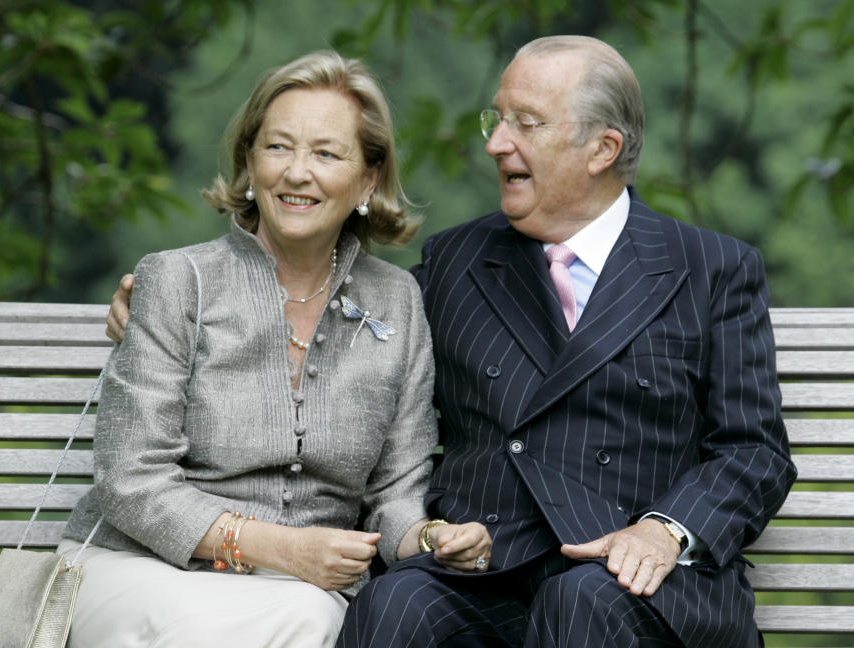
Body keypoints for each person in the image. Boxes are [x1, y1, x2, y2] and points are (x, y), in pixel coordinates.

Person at [109, 37, 797, 647]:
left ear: (602, 149)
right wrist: (164, 305)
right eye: (495, 119)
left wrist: (665, 531)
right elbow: (348, 315)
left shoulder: (710, 268)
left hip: (640, 585)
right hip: (485, 576)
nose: (497, 142)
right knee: (396, 603)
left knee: (582, 602)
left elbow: (754, 450)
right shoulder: (454, 264)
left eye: (525, 123)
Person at [62, 50, 490, 648]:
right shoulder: (177, 280)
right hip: (141, 569)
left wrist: (428, 539)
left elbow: (395, 493)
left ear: (368, 178)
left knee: (307, 614)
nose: (296, 173)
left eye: (326, 153)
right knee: (301, 619)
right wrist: (283, 550)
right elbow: (130, 480)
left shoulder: (396, 302)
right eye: (278, 147)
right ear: (248, 161)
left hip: (298, 592)